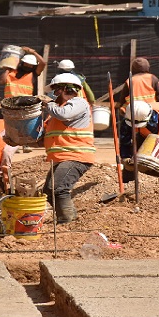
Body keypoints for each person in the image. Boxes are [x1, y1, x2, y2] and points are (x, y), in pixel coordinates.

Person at [39, 73, 96, 224]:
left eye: (56, 90)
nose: (54, 94)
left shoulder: (78, 103)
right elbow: (47, 136)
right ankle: (69, 217)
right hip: (63, 157)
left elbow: (64, 114)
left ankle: (67, 221)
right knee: (48, 191)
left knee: (58, 188)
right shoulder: (57, 111)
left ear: (66, 89)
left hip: (76, 155)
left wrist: (48, 103)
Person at [117, 57, 159, 183]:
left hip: (133, 118)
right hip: (151, 117)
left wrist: (124, 111)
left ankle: (128, 180)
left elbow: (122, 102)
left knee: (131, 148)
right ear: (148, 68)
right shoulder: (152, 78)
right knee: (153, 144)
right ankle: (153, 171)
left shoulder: (130, 81)